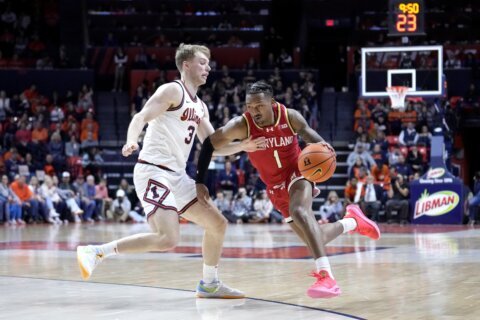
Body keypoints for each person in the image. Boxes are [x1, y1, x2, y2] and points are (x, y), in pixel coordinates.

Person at [76, 43, 265, 299]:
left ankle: (209, 284)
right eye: (202, 62)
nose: (208, 67)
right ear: (186, 65)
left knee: (218, 224)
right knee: (167, 238)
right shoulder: (172, 90)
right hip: (153, 170)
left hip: (177, 176)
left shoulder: (200, 106)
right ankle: (97, 252)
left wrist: (243, 145)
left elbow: (211, 147)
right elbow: (140, 117)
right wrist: (132, 140)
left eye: (209, 63)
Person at [195, 81, 381, 299]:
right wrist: (201, 181)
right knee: (315, 237)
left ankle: (327, 277)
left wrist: (325, 153)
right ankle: (353, 221)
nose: (254, 111)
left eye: (259, 106)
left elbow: (310, 135)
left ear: (272, 103)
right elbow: (209, 144)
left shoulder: (289, 116)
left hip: (298, 173)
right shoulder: (242, 125)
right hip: (274, 188)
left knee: (300, 212)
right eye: (249, 106)